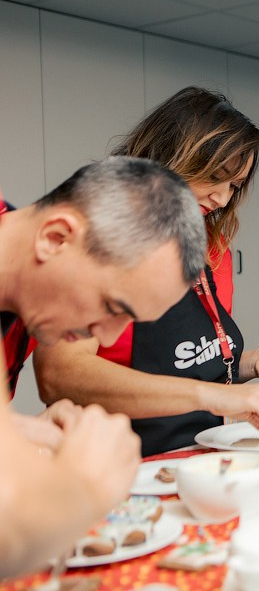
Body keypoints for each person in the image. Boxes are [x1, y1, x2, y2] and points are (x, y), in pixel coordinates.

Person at [34, 87, 259, 456]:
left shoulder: (208, 239)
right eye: (215, 176)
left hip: (193, 458)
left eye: (233, 186)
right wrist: (215, 395)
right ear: (171, 155)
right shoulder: (98, 232)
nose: (222, 198)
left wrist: (255, 361)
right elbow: (58, 374)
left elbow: (195, 359)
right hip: (113, 463)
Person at [0, 156, 207, 577]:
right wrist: (82, 488)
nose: (108, 338)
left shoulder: (23, 297)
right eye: (113, 307)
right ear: (56, 238)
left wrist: (17, 431)